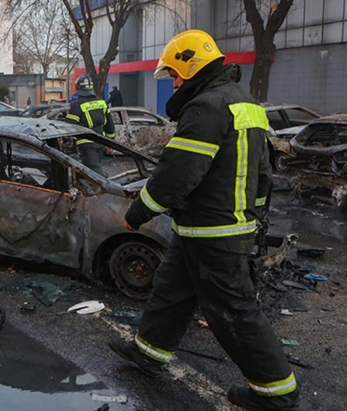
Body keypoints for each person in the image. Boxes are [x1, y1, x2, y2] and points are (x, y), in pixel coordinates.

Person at [109, 30, 298, 411]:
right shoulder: (245, 104)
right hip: (207, 227)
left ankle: (277, 392)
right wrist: (255, 214)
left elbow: (178, 173)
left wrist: (138, 213)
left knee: (232, 310)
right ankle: (148, 353)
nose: (175, 83)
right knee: (171, 292)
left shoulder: (206, 108)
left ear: (191, 67)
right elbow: (264, 172)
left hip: (213, 231)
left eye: (176, 75)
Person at [64, 74, 115, 176]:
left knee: (95, 174)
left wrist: (65, 140)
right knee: (93, 170)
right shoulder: (102, 103)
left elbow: (69, 127)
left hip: (86, 145)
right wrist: (111, 142)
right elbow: (110, 125)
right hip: (101, 142)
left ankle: (108, 189)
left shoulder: (76, 106)